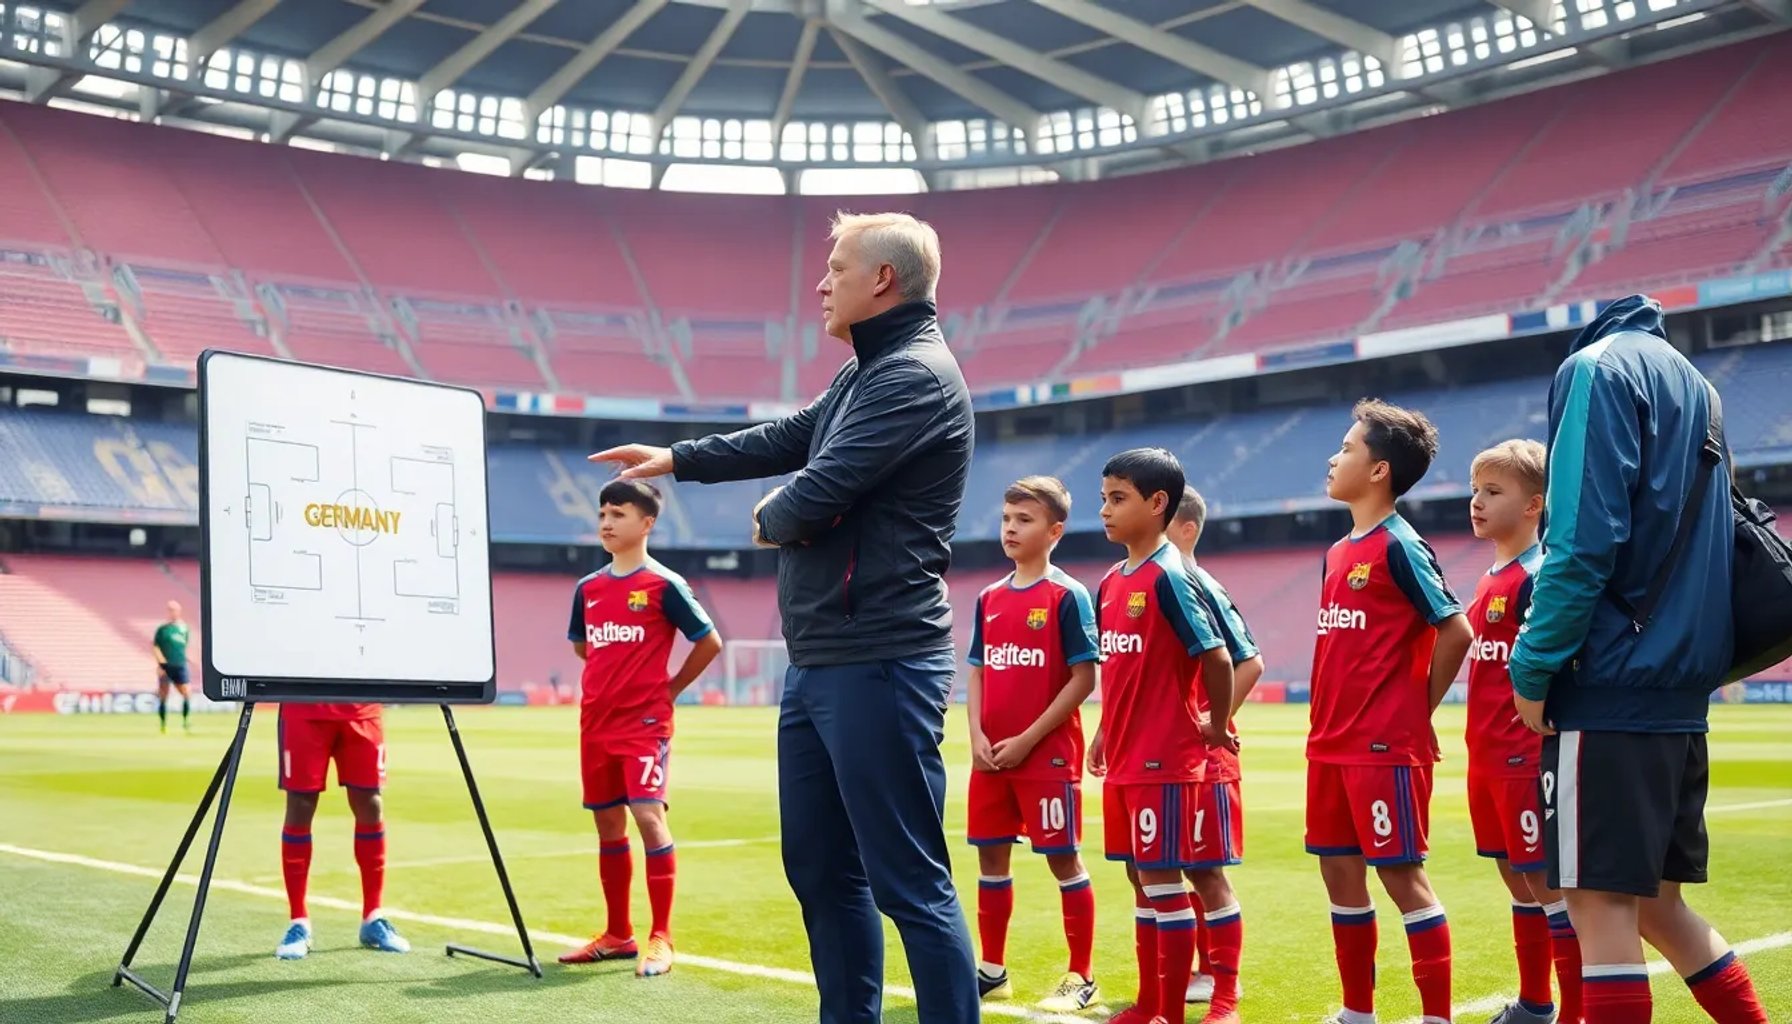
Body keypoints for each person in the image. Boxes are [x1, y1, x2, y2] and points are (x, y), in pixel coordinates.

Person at [587, 211, 979, 1023]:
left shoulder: (913, 375)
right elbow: (793, 437)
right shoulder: (866, 373)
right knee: (822, 870)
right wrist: (679, 459)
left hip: (880, 658)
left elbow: (812, 495)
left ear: (884, 280)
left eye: (837, 268)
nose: (821, 284)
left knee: (909, 881)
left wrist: (773, 515)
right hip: (820, 661)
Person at [1508, 295, 1769, 1024]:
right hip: (1681, 687)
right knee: (1659, 904)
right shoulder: (1698, 386)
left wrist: (1533, 663)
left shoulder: (1595, 368)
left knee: (1598, 907)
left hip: (1610, 681)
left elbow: (1581, 540)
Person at [1309, 400, 1473, 1024]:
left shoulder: (1400, 544)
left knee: (1403, 878)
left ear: (1379, 470)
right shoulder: (1338, 551)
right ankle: (1359, 1013)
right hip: (1330, 744)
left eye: (1347, 448)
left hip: (1382, 746)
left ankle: (1437, 1017)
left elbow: (1456, 629)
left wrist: (1413, 709)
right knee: (1339, 874)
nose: (1334, 458)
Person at [1087, 448, 1237, 1024]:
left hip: (1164, 761)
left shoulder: (1171, 576)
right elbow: (1124, 671)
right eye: (1104, 498)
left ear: (1157, 504)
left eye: (1117, 498)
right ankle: (1150, 1001)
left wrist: (1215, 725)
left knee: (1163, 881)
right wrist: (1104, 732)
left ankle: (1170, 1012)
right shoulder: (1110, 581)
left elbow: (1218, 657)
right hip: (1126, 757)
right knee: (1141, 880)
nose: (1105, 509)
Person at [558, 479, 724, 978]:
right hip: (596, 722)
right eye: (602, 514)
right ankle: (618, 935)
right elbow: (584, 647)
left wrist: (669, 689)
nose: (606, 523)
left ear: (647, 523)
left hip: (645, 724)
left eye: (618, 514)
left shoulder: (664, 585)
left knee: (648, 817)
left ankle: (662, 937)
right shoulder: (587, 589)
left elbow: (709, 641)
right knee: (607, 824)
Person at [964, 476, 1100, 1012]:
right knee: (990, 860)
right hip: (991, 757)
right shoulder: (989, 598)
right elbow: (977, 670)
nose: (1011, 528)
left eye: (1025, 520)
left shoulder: (1068, 596)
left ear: (1055, 531)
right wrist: (976, 734)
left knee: (1063, 860)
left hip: (1046, 755)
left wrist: (1027, 738)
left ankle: (1082, 975)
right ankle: (992, 970)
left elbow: (1084, 678)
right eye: (1007, 519)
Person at [1464, 439, 1580, 1024]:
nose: (1477, 501)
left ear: (1535, 505)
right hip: (1485, 759)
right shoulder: (1490, 577)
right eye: (1475, 490)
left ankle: (1576, 1011)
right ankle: (1536, 1003)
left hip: (1524, 759)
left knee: (1547, 886)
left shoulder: (1537, 578)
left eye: (1493, 491)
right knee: (1518, 882)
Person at [1168, 487, 1262, 1008]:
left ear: (1185, 530)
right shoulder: (1157, 581)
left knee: (1204, 868)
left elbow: (1249, 661)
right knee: (1167, 864)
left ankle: (1221, 977)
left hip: (1205, 759)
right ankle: (1194, 969)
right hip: (1166, 756)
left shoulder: (1200, 585)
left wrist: (1214, 722)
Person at [275, 698, 408, 960]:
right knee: (300, 805)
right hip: (305, 706)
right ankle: (298, 921)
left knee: (370, 803)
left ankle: (373, 915)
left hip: (361, 707)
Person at [152, 600, 192, 734]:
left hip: (180, 665)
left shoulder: (184, 628)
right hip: (166, 666)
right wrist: (161, 664)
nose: (173, 612)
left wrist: (187, 658)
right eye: (170, 610)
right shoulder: (163, 629)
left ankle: (186, 722)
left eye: (175, 610)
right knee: (163, 694)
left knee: (186, 692)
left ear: (179, 611)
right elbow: (155, 647)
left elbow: (185, 646)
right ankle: (163, 725)